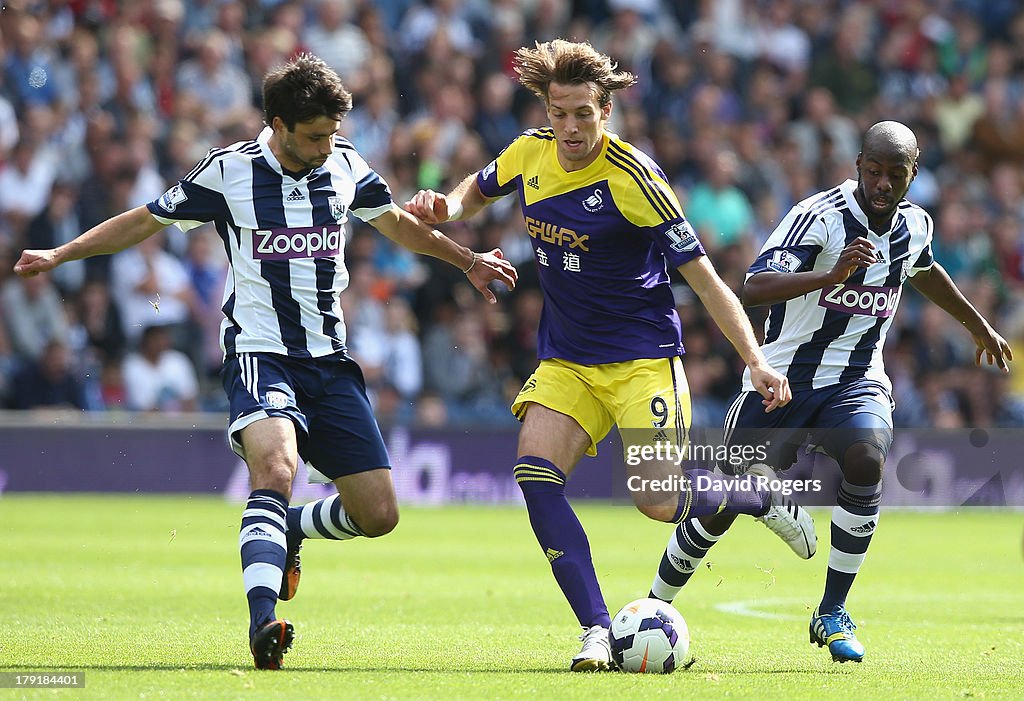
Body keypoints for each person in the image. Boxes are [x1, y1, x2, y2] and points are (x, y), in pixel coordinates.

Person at [13, 53, 518, 670]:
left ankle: (293, 530)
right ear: (277, 125)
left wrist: (466, 261)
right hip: (260, 354)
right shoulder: (229, 173)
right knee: (275, 468)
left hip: (331, 363)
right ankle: (263, 623)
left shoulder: (346, 165)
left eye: (333, 134)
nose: (327, 145)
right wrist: (61, 254)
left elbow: (398, 227)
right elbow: (144, 220)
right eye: (314, 136)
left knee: (379, 515)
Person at [405, 39, 807, 672]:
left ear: (606, 111)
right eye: (559, 112)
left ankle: (748, 492)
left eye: (583, 114)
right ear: (546, 107)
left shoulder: (635, 178)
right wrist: (444, 208)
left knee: (654, 503)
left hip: (643, 358)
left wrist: (754, 360)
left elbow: (703, 280)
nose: (570, 127)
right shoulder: (528, 153)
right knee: (535, 475)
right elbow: (476, 193)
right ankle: (595, 629)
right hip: (567, 360)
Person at [648, 121, 1012, 663]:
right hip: (784, 381)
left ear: (914, 173)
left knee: (867, 457)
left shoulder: (916, 224)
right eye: (874, 172)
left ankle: (832, 611)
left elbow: (926, 270)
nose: (883, 184)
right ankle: (653, 606)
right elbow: (753, 286)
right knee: (721, 503)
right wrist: (830, 277)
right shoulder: (818, 217)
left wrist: (976, 325)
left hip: (858, 381)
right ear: (858, 164)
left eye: (896, 174)